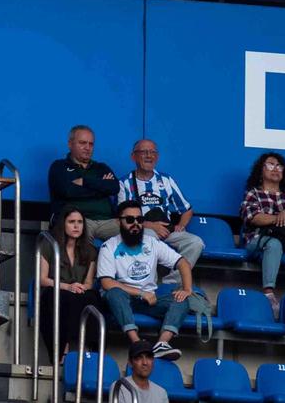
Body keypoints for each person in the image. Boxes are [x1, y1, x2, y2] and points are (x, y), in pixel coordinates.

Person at [96, 201, 193, 359]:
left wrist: (187, 289)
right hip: (122, 299)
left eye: (139, 220)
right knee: (114, 292)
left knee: (181, 300)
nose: (135, 224)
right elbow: (106, 283)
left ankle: (162, 344)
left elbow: (183, 263)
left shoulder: (152, 242)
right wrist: (140, 292)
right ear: (118, 221)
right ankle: (136, 342)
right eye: (129, 220)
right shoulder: (109, 246)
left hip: (149, 300)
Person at [239, 151, 285, 316]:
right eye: (270, 165)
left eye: (279, 166)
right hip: (259, 238)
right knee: (274, 244)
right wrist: (278, 217)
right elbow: (253, 217)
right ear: (260, 170)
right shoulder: (253, 193)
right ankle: (269, 292)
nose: (275, 169)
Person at [117, 141, 204, 265]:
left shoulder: (166, 180)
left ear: (157, 157)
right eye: (144, 152)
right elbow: (122, 218)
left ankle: (173, 282)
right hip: (143, 229)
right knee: (147, 238)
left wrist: (181, 225)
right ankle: (148, 282)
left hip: (167, 230)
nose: (149, 155)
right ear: (133, 156)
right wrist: (151, 225)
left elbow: (187, 209)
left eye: (153, 152)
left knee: (196, 242)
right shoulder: (124, 183)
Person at [36, 206, 102, 352]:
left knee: (92, 298)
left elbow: (89, 283)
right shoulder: (49, 245)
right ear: (63, 224)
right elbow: (42, 279)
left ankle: (88, 350)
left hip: (79, 291)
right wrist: (67, 287)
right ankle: (62, 350)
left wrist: (80, 288)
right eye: (71, 222)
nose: (76, 226)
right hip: (56, 289)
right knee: (61, 298)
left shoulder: (90, 250)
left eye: (80, 222)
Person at [49, 127, 121, 239]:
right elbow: (68, 191)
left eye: (91, 144)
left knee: (134, 234)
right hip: (78, 221)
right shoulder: (59, 166)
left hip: (108, 221)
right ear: (70, 144)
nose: (87, 148)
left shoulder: (101, 167)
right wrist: (102, 187)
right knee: (80, 236)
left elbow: (114, 187)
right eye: (82, 143)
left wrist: (84, 182)